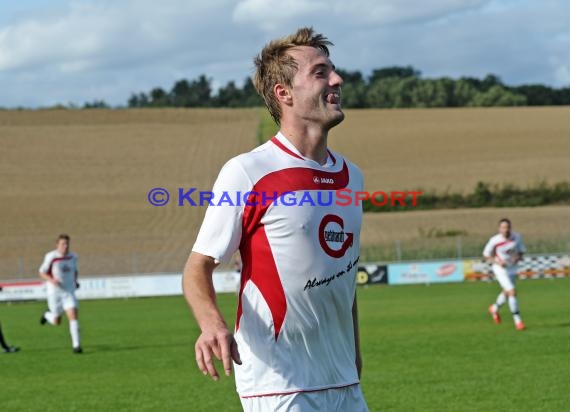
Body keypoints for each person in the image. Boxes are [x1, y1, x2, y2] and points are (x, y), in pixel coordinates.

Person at [182, 27, 368, 411]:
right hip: (278, 384)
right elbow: (197, 268)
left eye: (333, 69)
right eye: (320, 72)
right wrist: (211, 324)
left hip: (343, 381)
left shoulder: (352, 176)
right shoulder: (249, 172)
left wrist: (354, 355)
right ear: (284, 94)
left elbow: (345, 277)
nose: (337, 79)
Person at [38, 234, 82, 353]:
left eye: (67, 244)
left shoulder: (73, 256)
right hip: (54, 293)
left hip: (69, 292)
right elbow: (41, 273)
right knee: (57, 321)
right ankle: (47, 315)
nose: (65, 246)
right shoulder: (51, 257)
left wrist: (75, 281)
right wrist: (52, 280)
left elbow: (75, 270)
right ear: (57, 245)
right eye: (63, 244)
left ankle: (76, 346)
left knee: (73, 316)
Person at [483, 218, 527, 330]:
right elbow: (486, 255)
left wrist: (518, 257)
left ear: (510, 228)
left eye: (507, 227)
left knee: (507, 292)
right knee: (512, 292)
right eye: (503, 227)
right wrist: (497, 261)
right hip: (500, 269)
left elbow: (522, 251)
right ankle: (518, 321)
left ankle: (494, 308)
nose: (505, 230)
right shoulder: (494, 240)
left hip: (512, 268)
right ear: (499, 229)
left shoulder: (517, 237)